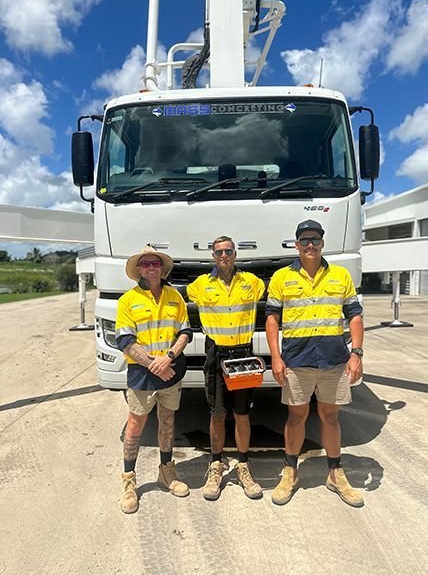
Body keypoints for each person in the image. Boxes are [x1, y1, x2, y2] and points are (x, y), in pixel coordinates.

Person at [265, 220, 365, 507]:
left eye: (316, 240)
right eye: (304, 240)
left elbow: (354, 316)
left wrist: (356, 353)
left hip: (334, 360)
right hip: (297, 360)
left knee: (330, 416)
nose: (311, 245)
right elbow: (272, 318)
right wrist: (275, 356)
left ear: (323, 244)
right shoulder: (281, 277)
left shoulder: (341, 275)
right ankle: (290, 472)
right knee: (296, 417)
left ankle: (335, 473)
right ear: (296, 245)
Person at [115, 244, 192, 514]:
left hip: (170, 368)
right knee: (135, 427)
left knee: (167, 421)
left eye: (154, 263)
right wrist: (155, 364)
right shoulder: (128, 300)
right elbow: (125, 340)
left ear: (162, 267)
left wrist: (169, 356)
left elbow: (185, 332)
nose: (150, 267)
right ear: (138, 269)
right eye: (145, 264)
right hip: (143, 373)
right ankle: (128, 481)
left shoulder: (175, 297)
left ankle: (166, 472)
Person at [187, 236, 265, 500]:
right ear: (212, 255)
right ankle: (215, 465)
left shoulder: (253, 283)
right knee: (217, 413)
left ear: (235, 254)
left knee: (242, 413)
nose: (224, 255)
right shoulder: (198, 286)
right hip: (216, 354)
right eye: (219, 252)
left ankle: (243, 465)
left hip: (243, 354)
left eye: (228, 251)